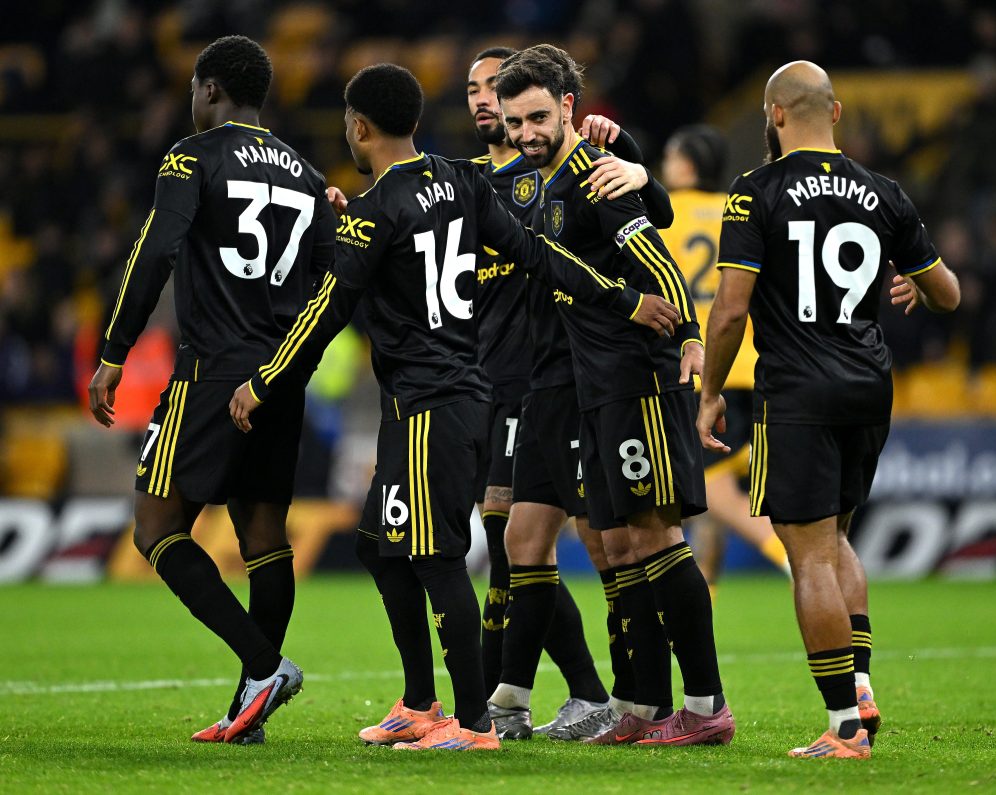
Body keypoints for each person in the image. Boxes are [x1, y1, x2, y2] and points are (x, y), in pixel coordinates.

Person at [228, 63, 680, 752]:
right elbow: (539, 252)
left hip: (430, 401)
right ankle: (419, 701)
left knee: (436, 557)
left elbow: (324, 310)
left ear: (358, 128)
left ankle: (472, 723)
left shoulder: (379, 209)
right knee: (378, 546)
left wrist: (265, 380)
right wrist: (625, 297)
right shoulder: (461, 182)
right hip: (456, 394)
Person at [697, 60, 960, 759]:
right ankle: (862, 685)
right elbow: (951, 294)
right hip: (870, 385)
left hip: (799, 388)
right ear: (836, 112)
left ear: (775, 115)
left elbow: (729, 310)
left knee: (808, 551)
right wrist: (915, 284)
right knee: (836, 537)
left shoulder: (756, 191)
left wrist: (711, 390)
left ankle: (844, 724)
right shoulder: (884, 192)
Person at [87, 35, 338, 744]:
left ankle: (262, 667)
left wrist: (114, 351)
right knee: (264, 536)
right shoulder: (307, 173)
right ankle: (247, 707)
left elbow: (156, 246)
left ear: (210, 90)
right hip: (280, 376)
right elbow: (333, 278)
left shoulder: (191, 156)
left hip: (211, 372)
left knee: (156, 527)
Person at [496, 44, 735, 747]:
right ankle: (641, 700)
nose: (527, 132)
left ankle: (705, 701)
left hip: (635, 377)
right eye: (516, 121)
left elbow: (655, 254)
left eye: (538, 116)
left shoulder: (596, 175)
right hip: (592, 384)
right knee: (618, 538)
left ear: (569, 108)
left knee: (657, 533)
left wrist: (690, 333)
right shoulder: (541, 183)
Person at [467, 46, 674, 739]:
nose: (489, 108)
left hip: (586, 376)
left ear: (562, 107)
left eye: (513, 104)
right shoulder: (498, 180)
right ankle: (512, 700)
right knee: (523, 537)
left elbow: (655, 227)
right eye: (481, 94)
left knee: (617, 542)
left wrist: (639, 161)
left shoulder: (583, 167)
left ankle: (639, 697)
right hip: (533, 382)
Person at [659, 125, 790, 592]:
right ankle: (704, 600)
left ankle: (782, 550)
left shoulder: (662, 214)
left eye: (671, 155)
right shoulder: (740, 211)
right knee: (702, 497)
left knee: (709, 490)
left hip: (696, 368)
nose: (664, 163)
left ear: (688, 164)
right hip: (747, 362)